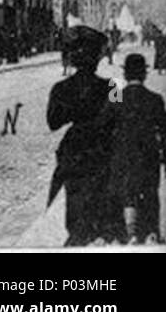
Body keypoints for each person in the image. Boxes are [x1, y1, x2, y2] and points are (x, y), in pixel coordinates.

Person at [46, 27, 120, 246]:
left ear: (72, 59)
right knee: (102, 211)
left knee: (73, 209)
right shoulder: (112, 86)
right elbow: (119, 119)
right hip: (102, 151)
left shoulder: (60, 88)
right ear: (98, 58)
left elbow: (52, 123)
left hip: (74, 151)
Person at [104, 53, 166, 243]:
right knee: (149, 192)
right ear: (144, 75)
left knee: (124, 193)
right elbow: (165, 133)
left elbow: (104, 129)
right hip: (148, 156)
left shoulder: (115, 98)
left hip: (122, 155)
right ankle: (151, 233)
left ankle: (127, 233)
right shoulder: (155, 99)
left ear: (125, 75)